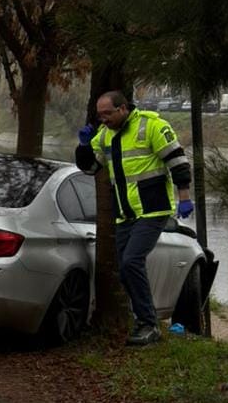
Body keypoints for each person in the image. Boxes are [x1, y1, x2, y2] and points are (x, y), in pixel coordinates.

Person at [75, 90, 194, 347]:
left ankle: (148, 324)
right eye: (100, 115)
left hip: (153, 209)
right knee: (126, 270)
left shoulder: (151, 125)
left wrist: (184, 196)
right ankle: (145, 320)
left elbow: (177, 161)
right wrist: (83, 146)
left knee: (131, 261)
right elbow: (90, 168)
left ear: (123, 109)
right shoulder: (105, 135)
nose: (103, 119)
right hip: (125, 213)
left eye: (108, 114)